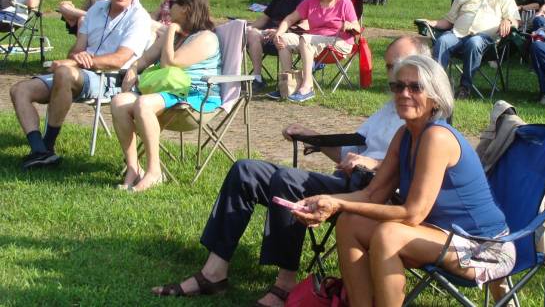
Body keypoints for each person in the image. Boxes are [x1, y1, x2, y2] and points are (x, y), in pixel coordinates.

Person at [149, 36, 428, 305]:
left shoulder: (425, 112)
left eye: (400, 67)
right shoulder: (389, 107)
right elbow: (347, 151)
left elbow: (416, 166)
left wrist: (373, 163)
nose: (395, 77)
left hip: (374, 194)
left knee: (288, 179)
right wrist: (311, 136)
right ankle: (214, 272)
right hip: (348, 181)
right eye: (390, 67)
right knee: (244, 170)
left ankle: (285, 284)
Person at [293, 55, 512, 307]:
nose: (404, 93)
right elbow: (372, 194)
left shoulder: (437, 138)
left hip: (485, 247)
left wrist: (339, 204)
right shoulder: (405, 134)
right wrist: (327, 201)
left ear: (435, 98)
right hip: (441, 235)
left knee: (390, 234)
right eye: (398, 86)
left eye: (415, 87)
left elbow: (412, 215)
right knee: (350, 223)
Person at [9, 0, 152, 169]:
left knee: (64, 72)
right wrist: (78, 57)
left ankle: (47, 145)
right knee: (19, 90)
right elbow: (76, 50)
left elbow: (120, 59)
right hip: (79, 73)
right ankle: (39, 149)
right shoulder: (96, 9)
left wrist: (78, 61)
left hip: (111, 78)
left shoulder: (139, 18)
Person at [110, 0, 220, 192]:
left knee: (143, 103)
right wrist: (133, 69)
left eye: (171, 3)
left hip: (195, 98)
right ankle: (133, 168)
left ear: (186, 7)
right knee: (119, 102)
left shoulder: (206, 38)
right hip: (167, 94)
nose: (166, 7)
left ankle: (154, 172)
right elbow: (144, 59)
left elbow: (170, 63)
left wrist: (169, 30)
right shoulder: (175, 35)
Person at [425, 0, 519, 99]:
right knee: (443, 40)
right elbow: (448, 21)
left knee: (474, 42)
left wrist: (508, 21)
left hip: (486, 41)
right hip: (457, 36)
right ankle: (434, 85)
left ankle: (465, 88)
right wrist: (431, 22)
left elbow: (517, 20)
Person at [271, 0, 361, 102]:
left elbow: (357, 27)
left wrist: (350, 25)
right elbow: (290, 19)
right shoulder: (311, 1)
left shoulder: (344, 2)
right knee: (284, 39)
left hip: (339, 42)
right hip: (314, 41)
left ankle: (307, 87)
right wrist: (277, 34)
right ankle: (289, 84)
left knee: (306, 39)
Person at [246, 0, 308, 93]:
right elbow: (263, 19)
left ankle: (287, 81)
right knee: (250, 33)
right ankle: (257, 78)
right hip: (267, 35)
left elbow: (305, 25)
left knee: (262, 35)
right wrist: (246, 28)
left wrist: (280, 31)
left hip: (287, 38)